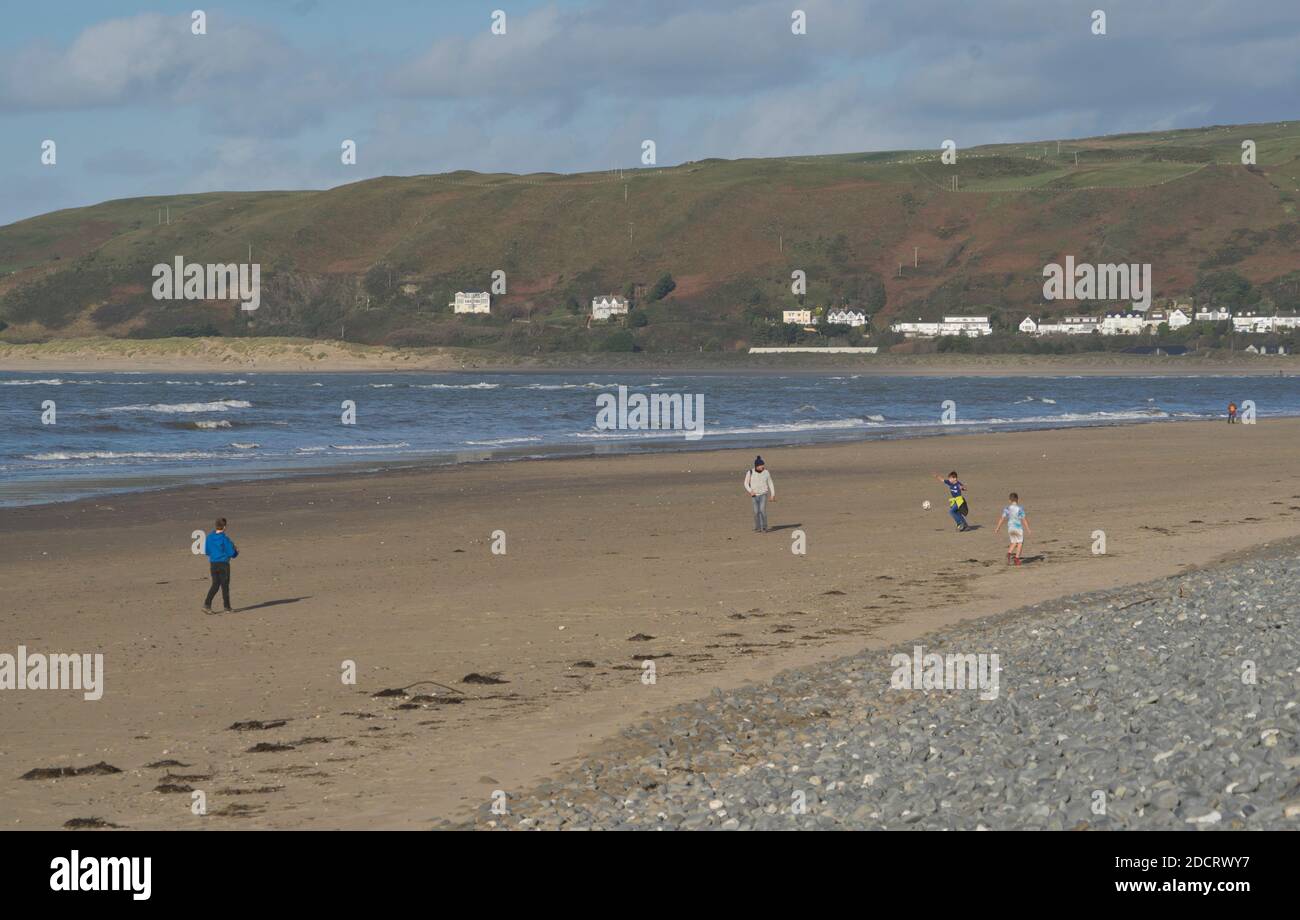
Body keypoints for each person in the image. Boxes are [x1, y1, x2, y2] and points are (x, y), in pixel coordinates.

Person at [203, 517, 239, 613]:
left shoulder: (209, 537)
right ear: (224, 527)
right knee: (225, 586)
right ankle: (227, 607)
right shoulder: (224, 538)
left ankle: (207, 605)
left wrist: (215, 554)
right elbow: (232, 553)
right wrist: (236, 551)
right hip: (223, 564)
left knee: (215, 584)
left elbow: (206, 551)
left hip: (213, 564)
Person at [994, 492, 1030, 565]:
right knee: (1020, 542)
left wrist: (997, 528)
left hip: (1010, 527)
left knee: (1014, 542)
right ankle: (1017, 558)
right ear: (1017, 499)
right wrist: (1028, 528)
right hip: (1018, 528)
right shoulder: (1020, 508)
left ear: (1009, 500)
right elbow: (1023, 519)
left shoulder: (1007, 508)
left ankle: (1009, 553)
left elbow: (1002, 518)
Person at [744, 455, 776, 533]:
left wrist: (772, 494)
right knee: (756, 512)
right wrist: (750, 491)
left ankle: (764, 527)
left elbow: (770, 483)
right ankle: (758, 528)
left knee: (762, 510)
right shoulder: (750, 472)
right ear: (757, 466)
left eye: (763, 465)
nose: (763, 466)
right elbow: (745, 483)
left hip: (763, 494)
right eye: (761, 465)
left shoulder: (766, 472)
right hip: (754, 495)